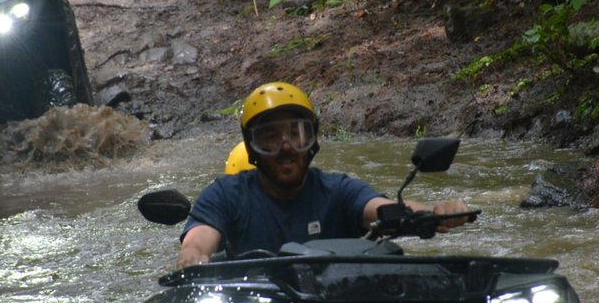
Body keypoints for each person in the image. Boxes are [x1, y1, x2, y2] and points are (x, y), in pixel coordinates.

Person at [177, 82, 472, 267]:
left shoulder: (338, 190)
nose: (286, 147)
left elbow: (381, 209)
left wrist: (432, 213)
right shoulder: (226, 195)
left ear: (313, 141)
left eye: (298, 134)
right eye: (270, 138)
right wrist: (192, 255)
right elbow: (199, 239)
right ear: (252, 148)